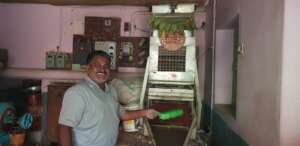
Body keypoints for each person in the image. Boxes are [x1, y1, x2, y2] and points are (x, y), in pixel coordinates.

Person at [58, 50, 159, 146]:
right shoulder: (77, 92)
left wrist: (146, 112)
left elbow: (123, 114)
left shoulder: (111, 90)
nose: (102, 69)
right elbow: (64, 127)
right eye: (97, 65)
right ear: (88, 68)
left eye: (106, 66)